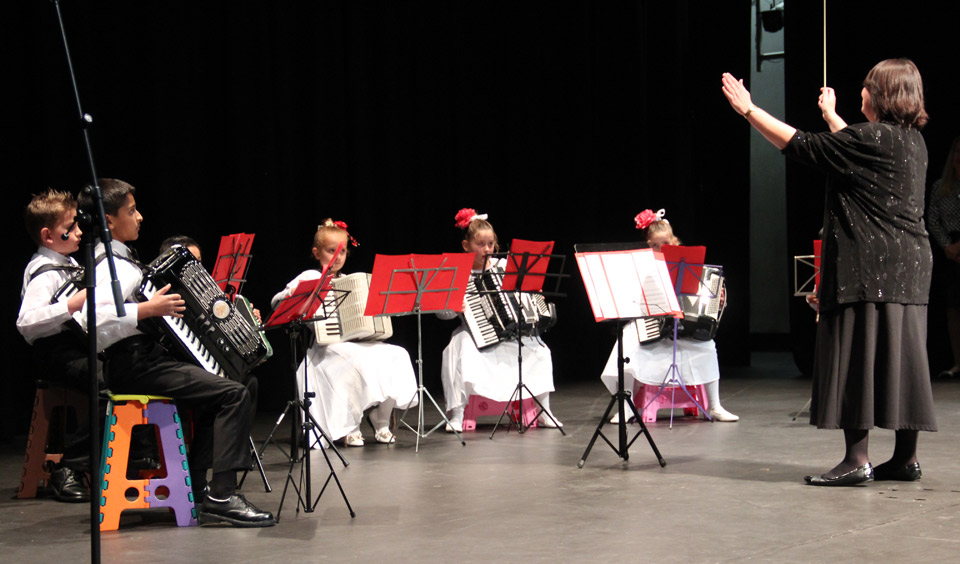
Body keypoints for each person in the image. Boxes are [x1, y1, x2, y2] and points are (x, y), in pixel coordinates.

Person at [722, 59, 936, 486]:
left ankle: (857, 460)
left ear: (881, 95)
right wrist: (834, 117)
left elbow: (803, 146)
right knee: (903, 360)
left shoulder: (871, 138)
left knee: (856, 357)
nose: (861, 94)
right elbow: (856, 152)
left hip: (869, 267)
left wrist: (749, 109)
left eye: (866, 87)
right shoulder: (912, 142)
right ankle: (906, 458)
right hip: (909, 267)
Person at [80, 178, 275, 526]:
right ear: (108, 221)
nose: (139, 217)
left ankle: (202, 488)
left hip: (148, 358)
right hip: (133, 362)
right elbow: (89, 319)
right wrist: (147, 310)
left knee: (241, 383)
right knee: (232, 394)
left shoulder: (124, 261)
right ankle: (223, 495)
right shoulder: (111, 265)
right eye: (131, 211)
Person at [270, 219, 417, 447]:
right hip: (325, 346)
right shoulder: (309, 277)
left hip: (356, 342)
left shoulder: (350, 281)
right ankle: (350, 426)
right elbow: (277, 302)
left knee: (397, 354)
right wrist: (298, 298)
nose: (338, 257)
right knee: (354, 359)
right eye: (332, 251)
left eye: (343, 251)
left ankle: (382, 422)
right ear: (316, 253)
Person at [599, 209, 739, 423]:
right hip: (649, 324)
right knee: (627, 343)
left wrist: (716, 299)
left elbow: (703, 298)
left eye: (665, 243)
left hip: (682, 329)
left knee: (708, 346)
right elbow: (632, 300)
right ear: (647, 245)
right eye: (654, 245)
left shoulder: (689, 266)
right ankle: (626, 407)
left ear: (674, 241)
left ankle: (714, 405)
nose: (660, 249)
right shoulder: (640, 267)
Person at [438, 208, 561, 432]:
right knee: (460, 348)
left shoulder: (505, 267)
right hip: (474, 331)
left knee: (539, 349)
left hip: (508, 330)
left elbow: (522, 297)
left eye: (491, 244)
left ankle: (544, 410)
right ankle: (457, 413)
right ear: (466, 246)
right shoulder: (458, 272)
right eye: (481, 244)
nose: (487, 249)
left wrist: (532, 292)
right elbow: (441, 313)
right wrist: (453, 308)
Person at [16, 189, 92, 502]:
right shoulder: (43, 273)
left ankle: (134, 454)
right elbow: (26, 323)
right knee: (110, 382)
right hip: (55, 354)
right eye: (71, 227)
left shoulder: (70, 265)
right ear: (49, 235)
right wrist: (71, 306)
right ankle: (69, 467)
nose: (79, 231)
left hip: (77, 349)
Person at [926, 136, 960, 378]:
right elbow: (932, 218)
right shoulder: (941, 186)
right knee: (952, 307)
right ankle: (958, 362)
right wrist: (948, 246)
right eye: (957, 151)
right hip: (950, 252)